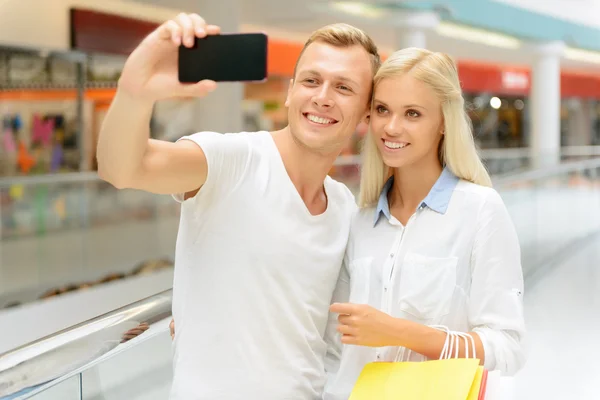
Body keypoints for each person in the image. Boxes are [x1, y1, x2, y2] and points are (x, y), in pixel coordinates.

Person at [96, 12, 381, 400]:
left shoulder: (344, 208)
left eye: (344, 87)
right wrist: (134, 93)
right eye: (311, 80)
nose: (322, 97)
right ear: (290, 90)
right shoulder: (232, 160)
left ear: (366, 112)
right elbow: (124, 168)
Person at [322, 47, 526, 399]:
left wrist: (399, 332)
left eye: (412, 113)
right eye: (382, 110)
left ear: (444, 122)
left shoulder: (480, 210)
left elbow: (507, 347)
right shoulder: (358, 221)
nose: (392, 127)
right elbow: (333, 350)